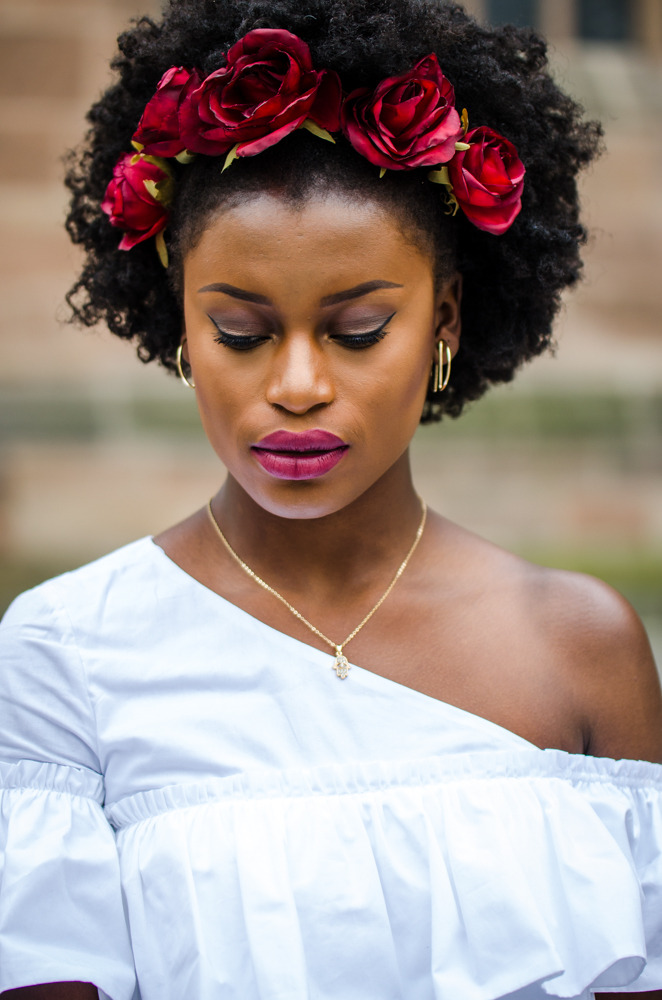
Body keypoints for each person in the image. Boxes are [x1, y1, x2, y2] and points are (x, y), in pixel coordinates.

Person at [1, 0, 661, 997]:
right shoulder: (66, 652)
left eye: (356, 329)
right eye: (239, 330)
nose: (298, 384)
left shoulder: (579, 643)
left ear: (441, 322)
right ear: (177, 322)